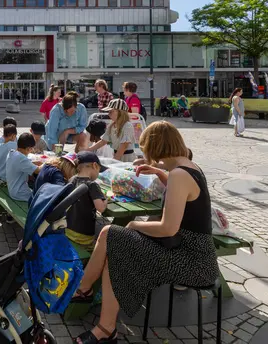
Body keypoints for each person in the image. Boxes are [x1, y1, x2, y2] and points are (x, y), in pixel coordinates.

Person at [73, 121, 219, 344]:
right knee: (116, 246)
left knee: (109, 233)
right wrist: (160, 173)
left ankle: (83, 290)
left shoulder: (180, 175)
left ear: (156, 147)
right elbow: (184, 192)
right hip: (193, 254)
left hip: (190, 261)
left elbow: (168, 227)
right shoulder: (189, 167)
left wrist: (134, 225)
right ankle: (104, 326)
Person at [65, 152, 108, 252]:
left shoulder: (72, 179)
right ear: (95, 165)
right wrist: (105, 199)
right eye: (99, 170)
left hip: (68, 229)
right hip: (84, 235)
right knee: (99, 250)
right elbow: (101, 208)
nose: (98, 174)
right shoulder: (92, 185)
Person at [5, 133, 42, 202]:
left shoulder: (12, 152)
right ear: (28, 148)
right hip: (19, 192)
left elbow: (21, 165)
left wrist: (33, 163)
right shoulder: (21, 158)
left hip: (12, 188)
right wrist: (47, 163)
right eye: (31, 149)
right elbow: (38, 171)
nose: (32, 150)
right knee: (41, 200)